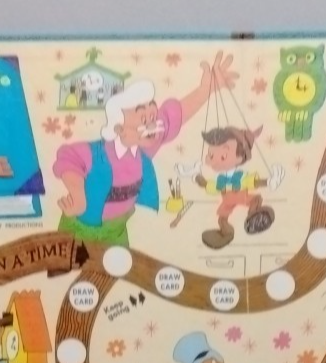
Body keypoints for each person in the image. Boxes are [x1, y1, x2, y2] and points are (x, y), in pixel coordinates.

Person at [53, 52, 237, 248]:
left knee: (118, 265)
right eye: (143, 119)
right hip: (80, 228)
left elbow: (176, 115)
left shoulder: (145, 149)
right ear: (119, 128)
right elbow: (68, 159)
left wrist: (205, 90)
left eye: (153, 116)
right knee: (66, 264)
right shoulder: (96, 152)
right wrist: (78, 195)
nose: (153, 125)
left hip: (116, 229)